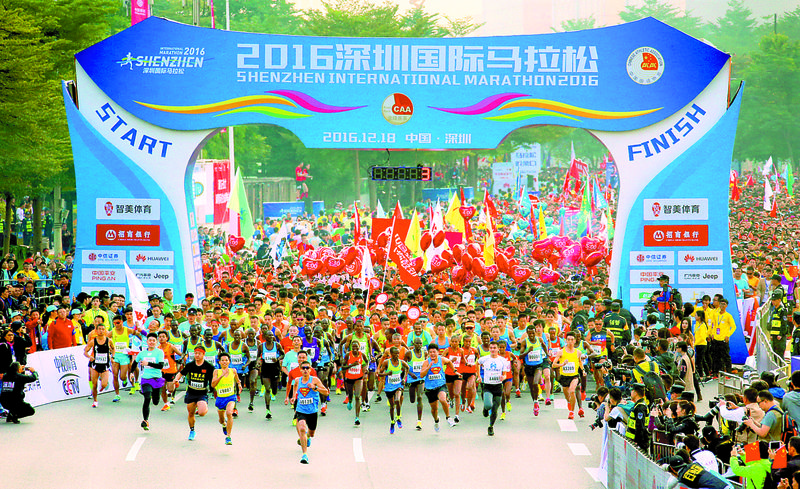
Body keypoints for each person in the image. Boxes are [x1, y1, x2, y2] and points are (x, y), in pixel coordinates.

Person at [292, 360, 329, 464]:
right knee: (302, 428)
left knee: (311, 433)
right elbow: (295, 387)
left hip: (312, 411)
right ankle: (304, 454)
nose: (305, 370)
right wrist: (293, 397)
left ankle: (307, 437)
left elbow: (326, 392)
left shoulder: (315, 380)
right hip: (301, 410)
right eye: (303, 368)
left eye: (307, 368)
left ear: (310, 369)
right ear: (300, 369)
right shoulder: (298, 380)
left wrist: (315, 387)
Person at [174, 345, 214, 441]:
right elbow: (181, 373)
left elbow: (213, 379)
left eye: (199, 354)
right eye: (195, 353)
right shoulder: (190, 365)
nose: (197, 355)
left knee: (201, 412)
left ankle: (204, 405)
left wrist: (213, 389)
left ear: (203, 354)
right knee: (191, 413)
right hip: (191, 392)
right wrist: (176, 379)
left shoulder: (209, 367)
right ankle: (192, 430)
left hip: (202, 393)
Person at [420, 343, 459, 431]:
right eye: (430, 352)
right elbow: (422, 375)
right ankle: (436, 420)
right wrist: (428, 367)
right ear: (428, 353)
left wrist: (455, 371)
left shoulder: (442, 360)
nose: (432, 354)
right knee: (434, 409)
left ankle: (448, 418)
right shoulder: (426, 362)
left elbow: (449, 362)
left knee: (442, 399)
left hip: (441, 385)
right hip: (430, 388)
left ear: (438, 352)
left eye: (434, 352)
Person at [477, 341, 511, 436]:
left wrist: (503, 377)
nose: (493, 350)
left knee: (495, 409)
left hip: (498, 386)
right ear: (489, 349)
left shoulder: (502, 360)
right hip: (488, 385)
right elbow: (477, 363)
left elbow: (505, 374)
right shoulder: (485, 359)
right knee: (488, 405)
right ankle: (485, 408)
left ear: (498, 349)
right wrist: (479, 376)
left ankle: (491, 426)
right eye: (491, 348)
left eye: (494, 348)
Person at [377, 345, 412, 434]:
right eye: (395, 354)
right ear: (391, 354)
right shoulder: (386, 362)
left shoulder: (401, 362)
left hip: (398, 385)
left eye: (398, 353)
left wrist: (404, 378)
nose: (397, 355)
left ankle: (398, 417)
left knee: (397, 400)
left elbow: (407, 368)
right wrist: (387, 374)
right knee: (392, 406)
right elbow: (379, 374)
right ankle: (392, 421)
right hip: (389, 387)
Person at [135, 333, 166, 431]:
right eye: (150, 340)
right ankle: (145, 420)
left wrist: (148, 363)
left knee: (156, 402)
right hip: (146, 379)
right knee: (147, 398)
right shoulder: (142, 353)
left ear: (156, 342)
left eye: (153, 340)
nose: (151, 342)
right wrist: (131, 373)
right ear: (147, 342)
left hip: (157, 379)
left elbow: (160, 366)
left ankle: (153, 393)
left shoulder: (159, 352)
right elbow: (135, 362)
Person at [212, 351, 242, 445]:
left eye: (226, 360)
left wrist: (239, 385)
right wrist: (221, 376)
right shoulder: (216, 372)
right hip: (220, 398)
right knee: (221, 420)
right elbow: (213, 385)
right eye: (222, 360)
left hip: (230, 397)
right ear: (219, 362)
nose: (224, 362)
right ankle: (224, 424)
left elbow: (237, 379)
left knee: (229, 413)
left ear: (229, 361)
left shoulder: (233, 370)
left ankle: (228, 437)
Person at [552, 331, 583, 419]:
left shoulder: (578, 352)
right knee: (567, 396)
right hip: (564, 377)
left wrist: (583, 370)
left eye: (572, 339)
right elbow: (553, 365)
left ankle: (571, 412)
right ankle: (570, 404)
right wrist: (562, 364)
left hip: (574, 376)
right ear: (566, 341)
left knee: (572, 391)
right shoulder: (561, 352)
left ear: (575, 341)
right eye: (568, 339)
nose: (570, 341)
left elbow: (580, 362)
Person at [84, 322, 114, 408]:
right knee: (94, 384)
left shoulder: (109, 340)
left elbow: (113, 349)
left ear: (105, 331)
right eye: (99, 329)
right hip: (95, 365)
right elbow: (85, 351)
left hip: (105, 365)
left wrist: (112, 357)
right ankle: (95, 400)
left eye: (103, 329)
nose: (101, 331)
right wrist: (90, 356)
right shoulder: (93, 341)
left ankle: (102, 386)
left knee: (104, 384)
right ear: (96, 331)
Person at [256, 328, 283, 419]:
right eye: (269, 335)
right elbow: (258, 357)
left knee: (274, 389)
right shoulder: (261, 346)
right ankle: (268, 409)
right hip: (265, 368)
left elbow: (283, 354)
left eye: (272, 335)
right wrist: (258, 362)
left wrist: (278, 359)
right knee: (267, 389)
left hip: (275, 368)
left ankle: (274, 392)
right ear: (265, 337)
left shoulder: (277, 345)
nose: (271, 337)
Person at [664, 455, 733, 489]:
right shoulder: (696, 465)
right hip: (727, 486)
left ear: (672, 469)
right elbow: (714, 474)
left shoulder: (682, 480)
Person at [404, 337, 427, 430]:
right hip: (412, 379)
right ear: (413, 344)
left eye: (420, 343)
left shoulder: (425, 353)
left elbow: (427, 364)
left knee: (420, 397)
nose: (419, 345)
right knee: (412, 400)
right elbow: (403, 365)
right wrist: (410, 373)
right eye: (417, 343)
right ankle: (413, 398)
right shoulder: (409, 353)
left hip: (421, 378)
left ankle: (419, 421)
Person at [626, 383, 650, 453]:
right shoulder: (638, 405)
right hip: (633, 441)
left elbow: (640, 427)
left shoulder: (640, 407)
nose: (631, 393)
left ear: (635, 392)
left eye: (632, 390)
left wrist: (637, 442)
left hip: (636, 443)